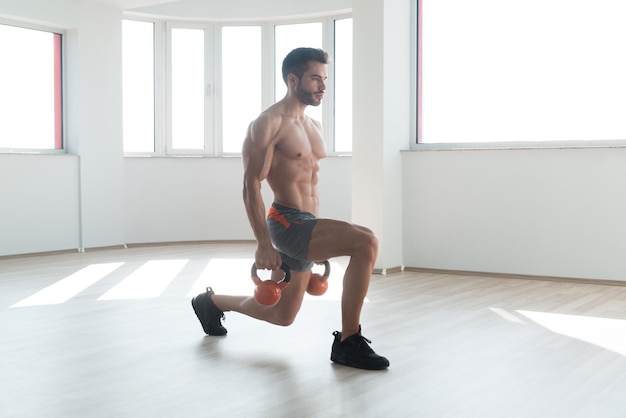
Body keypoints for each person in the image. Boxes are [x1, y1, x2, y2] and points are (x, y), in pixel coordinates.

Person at [191, 47, 389, 370]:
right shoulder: (268, 124)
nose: (323, 87)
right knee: (366, 241)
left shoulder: (314, 127)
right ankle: (348, 341)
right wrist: (263, 244)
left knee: (283, 315)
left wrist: (317, 242)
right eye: (315, 79)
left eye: (325, 79)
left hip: (307, 225)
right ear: (293, 79)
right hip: (287, 223)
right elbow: (250, 185)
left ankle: (210, 302)